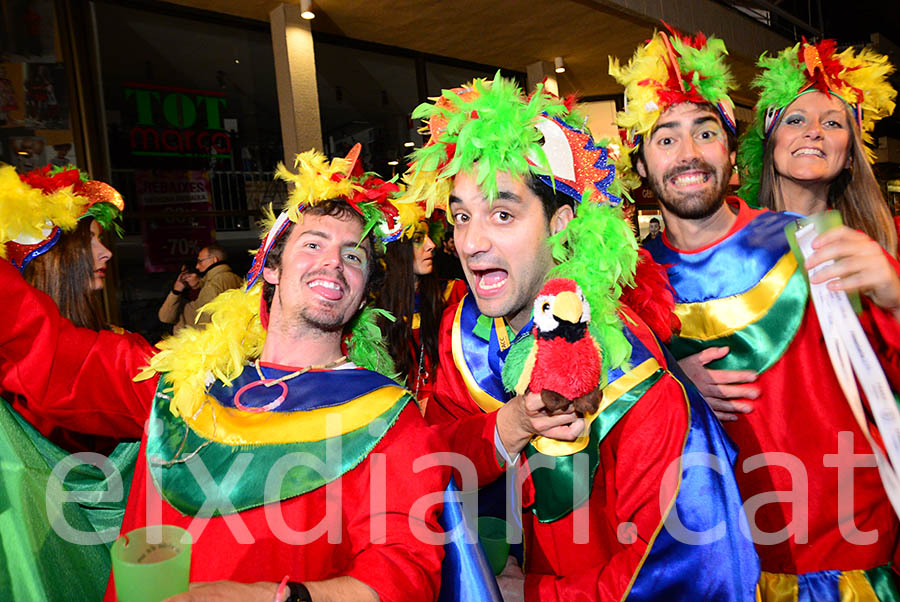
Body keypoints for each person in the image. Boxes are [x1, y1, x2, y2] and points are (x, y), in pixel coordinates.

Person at [0, 147, 450, 601]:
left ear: (362, 294)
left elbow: (403, 573)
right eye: (313, 243)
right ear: (271, 268)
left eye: (353, 256)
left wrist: (272, 598)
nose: (333, 261)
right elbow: (41, 350)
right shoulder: (178, 381)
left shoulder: (387, 420)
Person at [400, 74, 759, 600]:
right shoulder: (466, 340)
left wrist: (534, 595)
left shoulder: (627, 373)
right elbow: (424, 471)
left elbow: (689, 566)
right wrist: (507, 426)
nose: (472, 243)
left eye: (503, 214)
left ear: (561, 224)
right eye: (460, 216)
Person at [611, 26, 900, 598]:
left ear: (731, 150)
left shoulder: (811, 242)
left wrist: (893, 296)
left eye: (705, 132)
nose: (689, 154)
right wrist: (672, 382)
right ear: (640, 167)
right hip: (717, 568)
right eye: (665, 139)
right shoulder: (625, 288)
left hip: (841, 559)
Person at [0, 163, 148, 600]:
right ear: (51, 258)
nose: (106, 254)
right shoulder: (27, 364)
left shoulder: (117, 340)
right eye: (92, 241)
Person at [737, 38, 900, 320]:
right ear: (770, 146)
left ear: (850, 155)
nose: (814, 131)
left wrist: (896, 302)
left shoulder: (887, 247)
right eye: (795, 120)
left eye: (832, 123)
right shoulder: (730, 243)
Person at [376, 203, 465, 414]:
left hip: (448, 417)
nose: (431, 245)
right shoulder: (372, 312)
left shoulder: (455, 295)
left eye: (428, 236)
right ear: (396, 252)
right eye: (418, 239)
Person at [158, 242, 242, 333]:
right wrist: (197, 286)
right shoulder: (235, 279)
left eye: (200, 261)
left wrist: (177, 292)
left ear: (214, 260)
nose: (197, 266)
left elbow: (204, 320)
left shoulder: (216, 282)